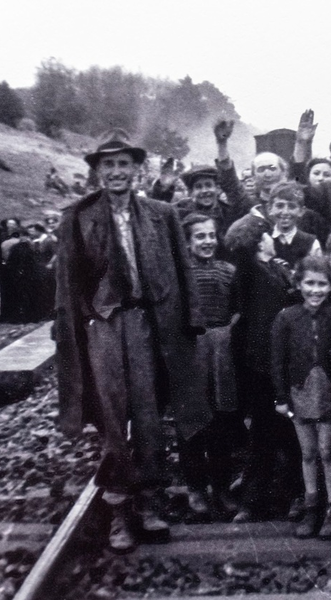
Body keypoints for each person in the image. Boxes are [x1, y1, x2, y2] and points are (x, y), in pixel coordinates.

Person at [55, 131, 208, 552]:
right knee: (110, 416)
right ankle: (118, 509)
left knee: (147, 417)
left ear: (137, 169)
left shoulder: (162, 214)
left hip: (148, 322)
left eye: (124, 164)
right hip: (103, 326)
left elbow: (183, 270)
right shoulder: (77, 218)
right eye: (109, 165)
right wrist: (73, 333)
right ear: (97, 172)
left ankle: (148, 503)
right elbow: (67, 287)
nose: (117, 172)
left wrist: (190, 321)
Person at [224, 225, 298, 523]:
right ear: (258, 243)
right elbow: (238, 247)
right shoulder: (250, 270)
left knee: (285, 433)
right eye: (268, 234)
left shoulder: (276, 269)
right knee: (264, 433)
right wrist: (249, 229)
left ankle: (287, 496)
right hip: (262, 365)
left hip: (282, 362)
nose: (274, 238)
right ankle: (254, 501)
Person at [272, 256, 331, 539]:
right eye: (310, 284)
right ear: (299, 284)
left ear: (330, 286)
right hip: (300, 391)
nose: (315, 290)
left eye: (322, 284)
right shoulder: (286, 317)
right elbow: (277, 360)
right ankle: (311, 506)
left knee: (328, 450)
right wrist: (280, 397)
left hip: (328, 392)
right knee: (308, 452)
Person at [178, 214, 240, 521]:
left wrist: (228, 331)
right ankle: (196, 488)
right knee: (191, 423)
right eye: (199, 236)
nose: (207, 241)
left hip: (221, 353)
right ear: (187, 242)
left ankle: (222, 488)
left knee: (221, 422)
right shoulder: (178, 274)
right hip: (190, 351)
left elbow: (239, 309)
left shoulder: (228, 271)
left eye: (211, 235)